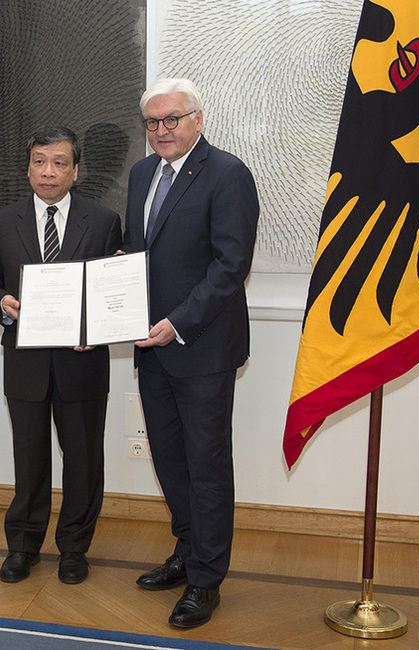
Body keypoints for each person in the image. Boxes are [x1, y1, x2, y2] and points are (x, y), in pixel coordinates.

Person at [121, 79, 259, 628]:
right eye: (152, 123)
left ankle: (206, 579)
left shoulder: (228, 175)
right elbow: (141, 253)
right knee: (168, 458)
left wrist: (175, 324)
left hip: (199, 347)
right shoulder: (140, 174)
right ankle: (186, 550)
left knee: (205, 465)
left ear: (198, 120)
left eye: (171, 120)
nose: (161, 131)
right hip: (150, 348)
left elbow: (230, 268)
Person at [0, 126, 122, 584]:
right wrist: (1, 303)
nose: (48, 171)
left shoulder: (103, 222)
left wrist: (99, 327)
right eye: (39, 161)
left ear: (76, 171)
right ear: (28, 168)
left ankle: (75, 547)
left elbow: (112, 289)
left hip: (82, 361)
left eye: (59, 162)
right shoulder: (2, 222)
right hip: (26, 364)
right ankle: (23, 544)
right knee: (29, 457)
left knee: (82, 459)